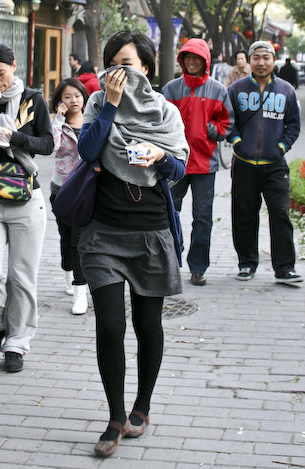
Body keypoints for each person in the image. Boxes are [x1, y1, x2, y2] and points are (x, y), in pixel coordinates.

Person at [77, 30, 189, 457]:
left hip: (151, 232)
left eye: (126, 62)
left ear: (146, 66)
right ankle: (114, 417)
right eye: (111, 63)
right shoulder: (97, 103)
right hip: (103, 232)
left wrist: (160, 157)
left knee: (147, 325)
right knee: (109, 325)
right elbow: (88, 151)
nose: (117, 71)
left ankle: (141, 407)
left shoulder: (166, 112)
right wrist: (110, 106)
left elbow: (180, 168)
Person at [0, 42, 54, 372]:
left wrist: (14, 138)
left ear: (14, 66)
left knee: (22, 278)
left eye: (0, 73)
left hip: (26, 199)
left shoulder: (34, 100)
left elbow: (47, 143)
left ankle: (17, 343)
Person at [228, 41, 302, 284]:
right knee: (244, 215)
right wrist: (237, 141)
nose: (261, 62)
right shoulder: (236, 89)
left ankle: (284, 268)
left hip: (275, 165)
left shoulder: (286, 90)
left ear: (273, 60)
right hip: (244, 163)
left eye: (266, 57)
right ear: (249, 61)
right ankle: (247, 263)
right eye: (256, 57)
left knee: (280, 215)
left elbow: (293, 124)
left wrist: (281, 147)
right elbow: (228, 120)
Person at [162, 38, 234, 286]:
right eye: (187, 57)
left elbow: (227, 123)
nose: (191, 61)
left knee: (203, 217)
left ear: (206, 61)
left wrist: (211, 130)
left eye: (197, 58)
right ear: (181, 60)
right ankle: (171, 258)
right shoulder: (171, 89)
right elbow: (159, 121)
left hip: (205, 164)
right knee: (169, 212)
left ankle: (198, 267)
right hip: (175, 163)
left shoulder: (217, 90)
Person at [50, 78, 89, 314]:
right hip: (61, 191)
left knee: (79, 242)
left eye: (77, 95)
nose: (73, 100)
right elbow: (51, 147)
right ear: (60, 101)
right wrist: (58, 120)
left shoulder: (93, 120)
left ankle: (80, 292)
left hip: (85, 192)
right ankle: (67, 273)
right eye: (67, 96)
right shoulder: (57, 124)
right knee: (66, 238)